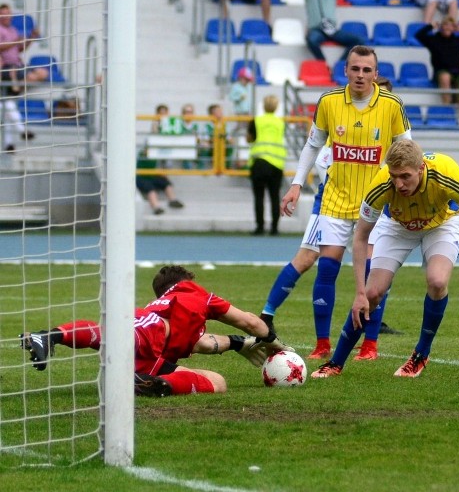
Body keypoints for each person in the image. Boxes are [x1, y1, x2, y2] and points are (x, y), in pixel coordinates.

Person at [311, 139, 459, 378]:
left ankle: (420, 354)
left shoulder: (447, 173)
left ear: (421, 169)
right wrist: (359, 292)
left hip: (441, 224)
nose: (398, 183)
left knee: (438, 281)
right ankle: (335, 363)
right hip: (396, 226)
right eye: (394, 176)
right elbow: (360, 236)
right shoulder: (381, 183)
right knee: (371, 295)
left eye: (405, 176)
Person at [280, 45, 411, 359]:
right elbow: (313, 146)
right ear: (347, 71)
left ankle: (370, 344)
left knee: (371, 272)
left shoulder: (392, 105)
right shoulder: (329, 102)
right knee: (327, 268)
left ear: (375, 75)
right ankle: (322, 344)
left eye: (367, 70)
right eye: (355, 69)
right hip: (335, 198)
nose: (361, 75)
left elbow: (407, 149)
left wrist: (403, 188)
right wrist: (296, 184)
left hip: (376, 201)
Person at [20, 265, 289, 396]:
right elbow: (250, 322)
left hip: (149, 350)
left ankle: (155, 384)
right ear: (185, 283)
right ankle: (48, 335)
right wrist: (272, 339)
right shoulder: (197, 295)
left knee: (112, 332)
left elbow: (204, 343)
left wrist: (239, 344)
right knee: (217, 383)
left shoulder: (161, 307)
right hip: (150, 336)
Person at [0, 3, 43, 151]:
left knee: (7, 106)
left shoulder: (12, 30)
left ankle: (9, 143)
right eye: (3, 14)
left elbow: (19, 48)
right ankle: (21, 132)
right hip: (5, 71)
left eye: (8, 13)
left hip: (15, 68)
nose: (7, 16)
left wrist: (31, 37)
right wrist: (15, 42)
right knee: (7, 105)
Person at [247, 95, 287, 236]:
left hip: (259, 162)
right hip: (276, 163)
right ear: (276, 107)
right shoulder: (280, 123)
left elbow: (249, 138)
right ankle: (274, 228)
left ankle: (259, 227)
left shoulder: (256, 121)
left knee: (259, 196)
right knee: (275, 196)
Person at [415, 17, 459, 104]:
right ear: (441, 27)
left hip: (458, 73)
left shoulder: (458, 40)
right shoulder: (434, 40)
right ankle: (447, 105)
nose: (448, 27)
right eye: (445, 24)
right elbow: (418, 35)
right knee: (445, 77)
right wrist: (431, 26)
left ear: (454, 28)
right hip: (441, 72)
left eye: (451, 25)